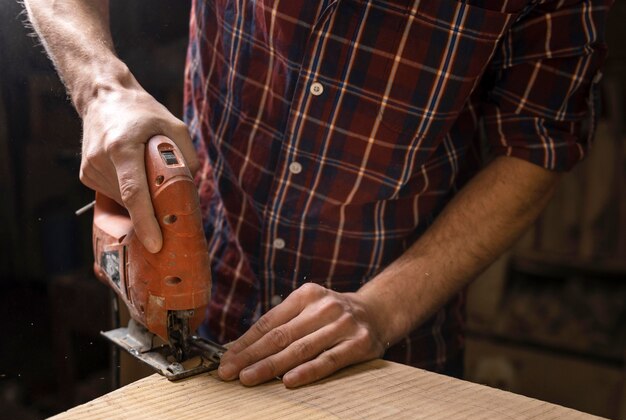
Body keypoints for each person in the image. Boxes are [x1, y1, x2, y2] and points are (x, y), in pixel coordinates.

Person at [25, 0, 612, 388]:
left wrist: (381, 308)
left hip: (381, 347)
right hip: (215, 288)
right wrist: (101, 86)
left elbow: (538, 145)